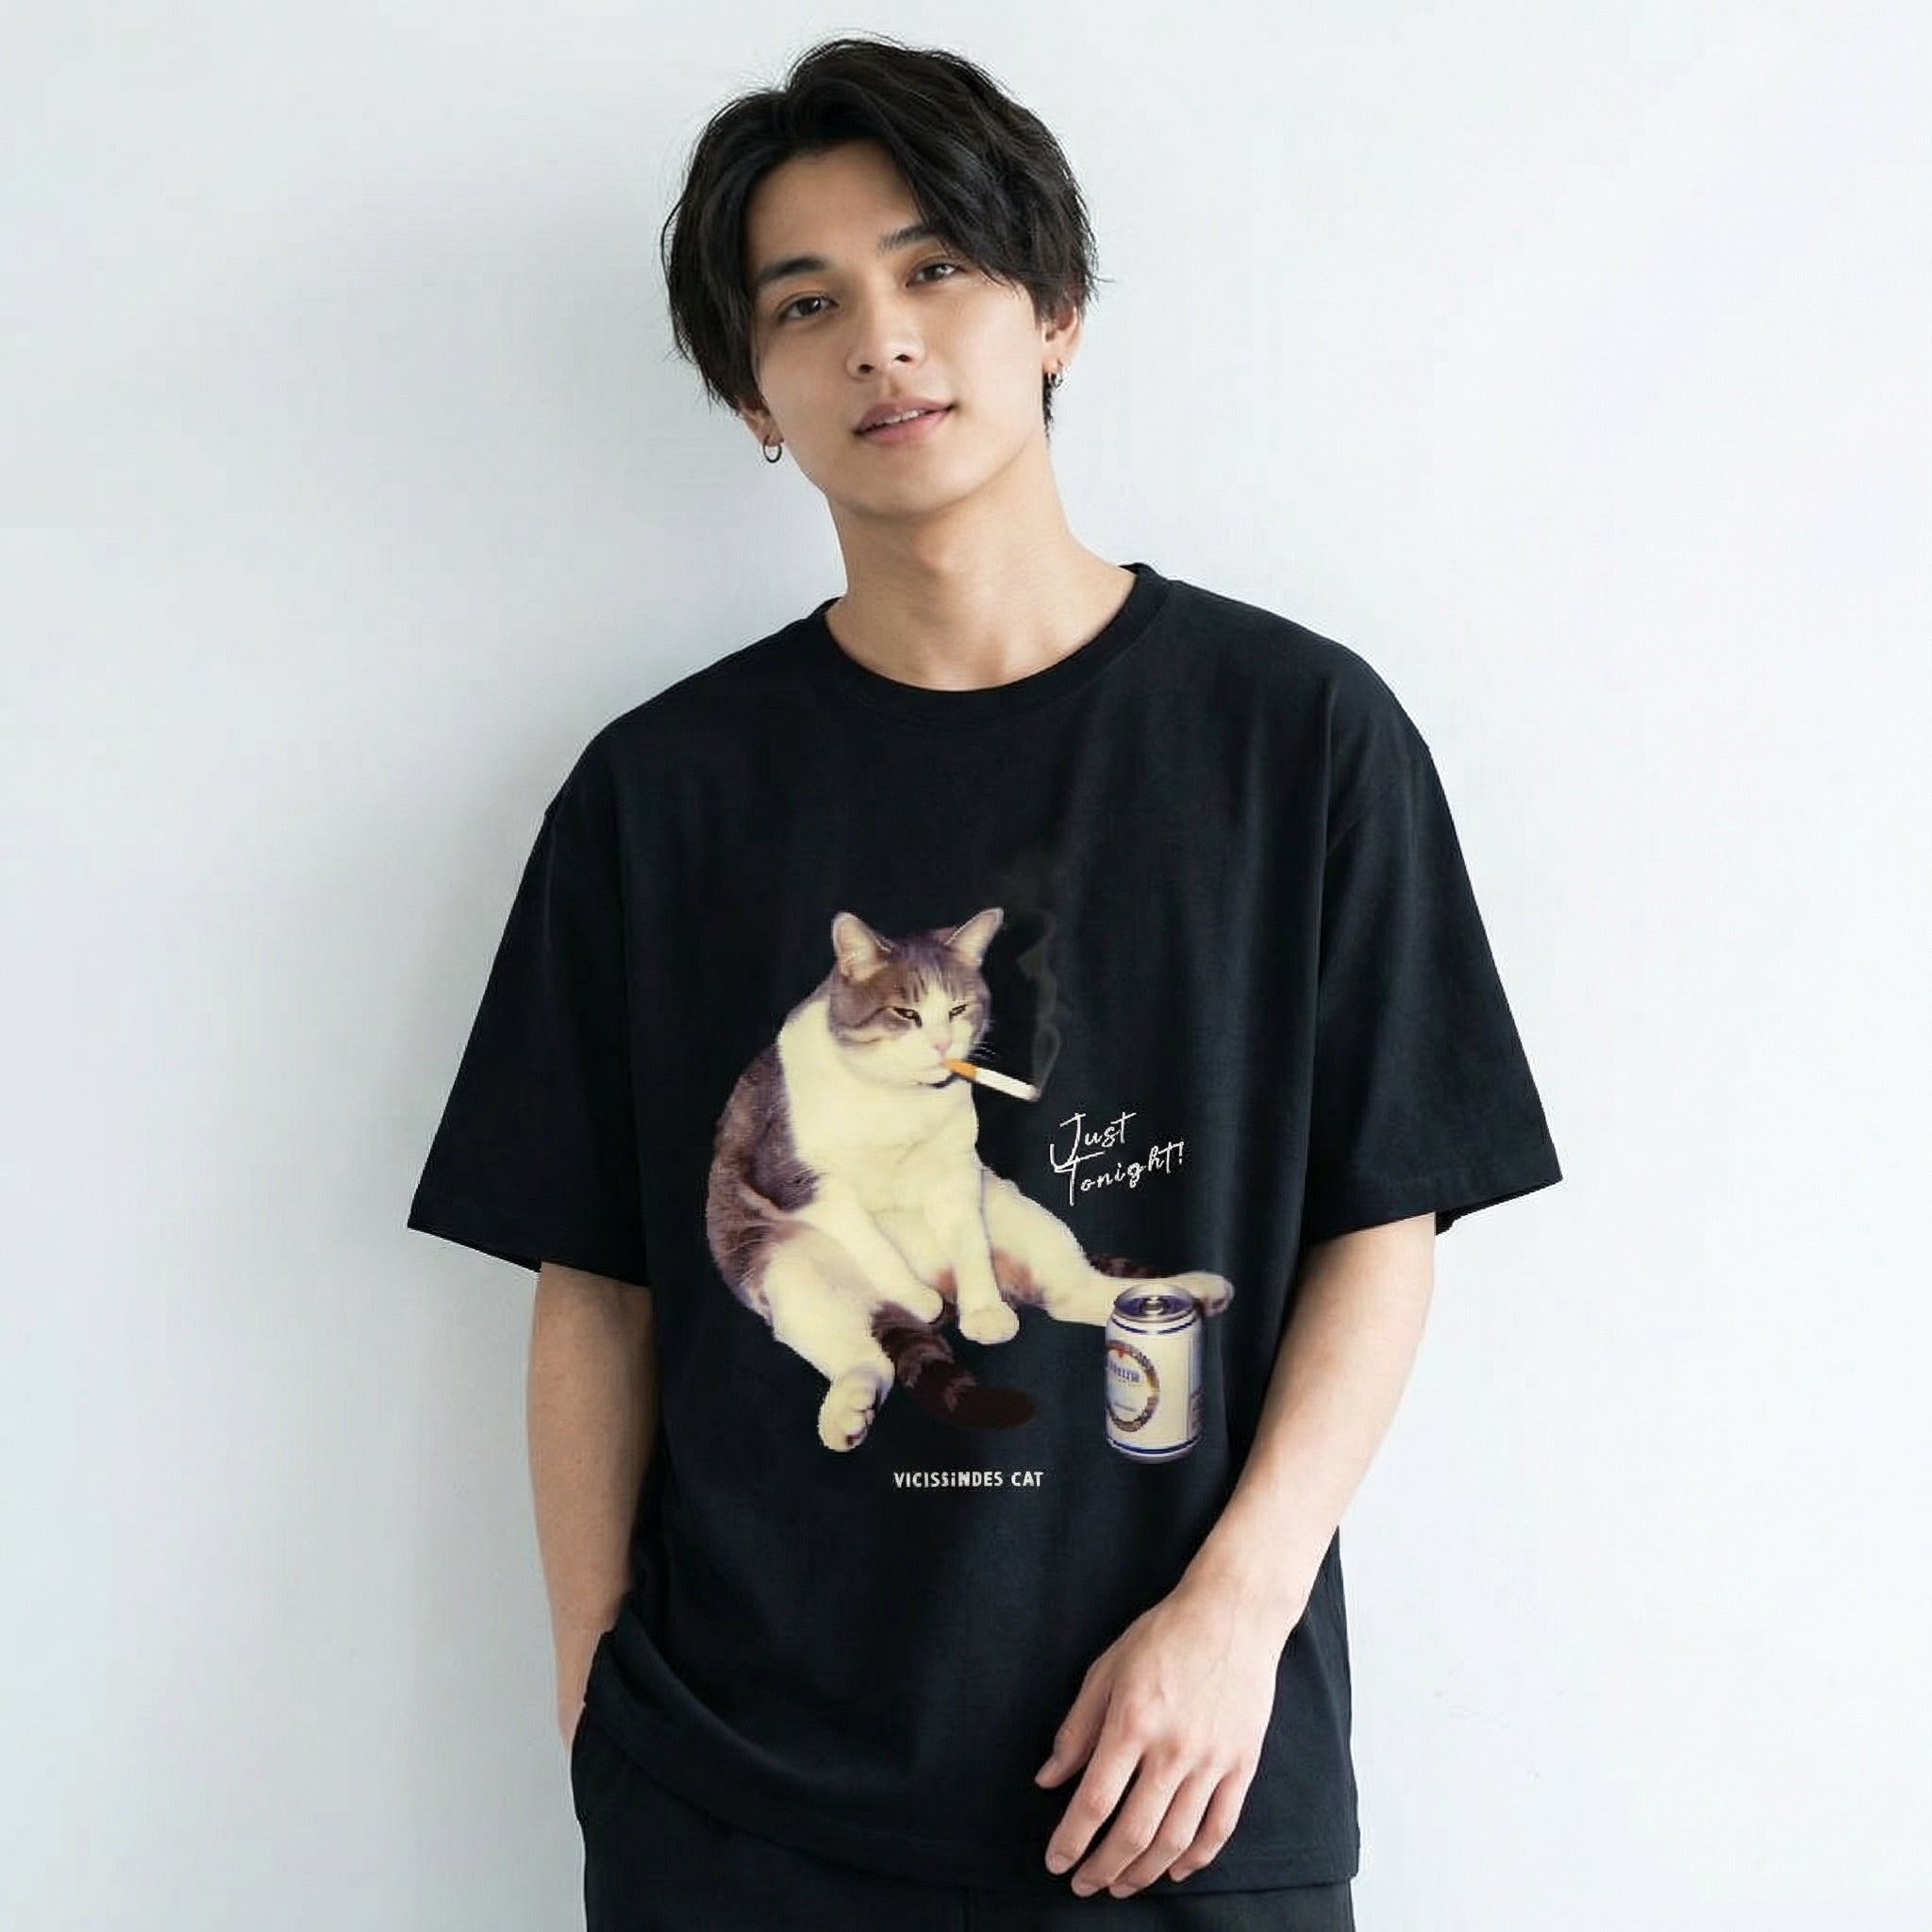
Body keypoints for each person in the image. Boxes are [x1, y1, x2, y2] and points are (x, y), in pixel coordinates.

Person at [406, 33, 1562, 1931]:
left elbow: (1387, 1215)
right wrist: (596, 1707)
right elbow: (595, 1283)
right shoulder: (659, 794)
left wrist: (1235, 1612)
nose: (881, 338)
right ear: (753, 395)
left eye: (935, 266)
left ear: (1056, 312)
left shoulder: (1296, 738)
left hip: (1175, 1791)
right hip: (738, 1808)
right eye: (807, 302)